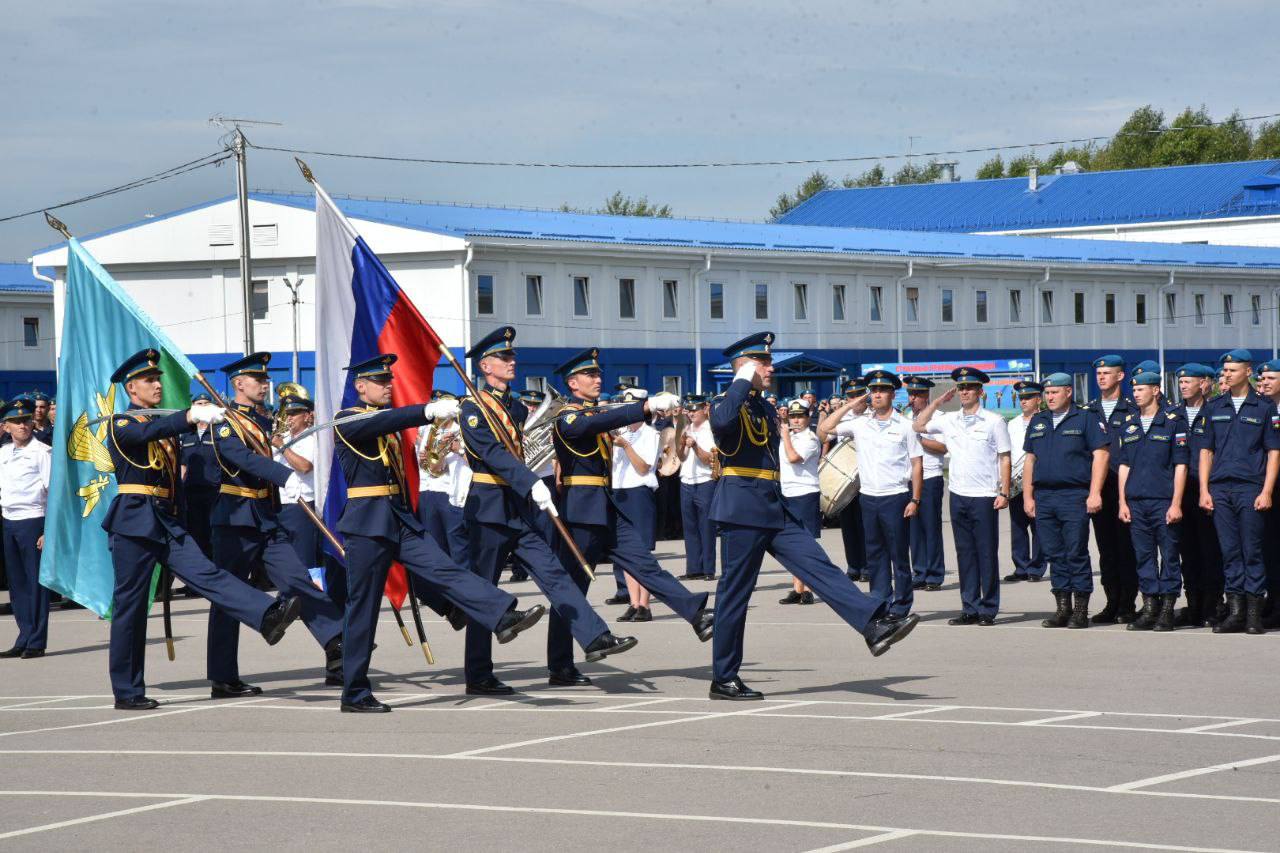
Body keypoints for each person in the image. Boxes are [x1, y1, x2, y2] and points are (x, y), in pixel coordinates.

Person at [333, 352, 547, 711]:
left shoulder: (380, 420)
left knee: (445, 568)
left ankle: (500, 614)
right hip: (366, 526)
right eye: (380, 382)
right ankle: (354, 692)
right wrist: (424, 411)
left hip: (398, 519)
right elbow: (381, 424)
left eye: (389, 381)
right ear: (360, 386)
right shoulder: (346, 420)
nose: (388, 386)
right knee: (363, 609)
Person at [709, 334, 916, 701]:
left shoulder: (761, 407)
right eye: (764, 363)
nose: (771, 368)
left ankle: (873, 625)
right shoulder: (727, 402)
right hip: (742, 510)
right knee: (734, 596)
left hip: (774, 505)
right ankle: (724, 678)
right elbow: (723, 424)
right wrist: (741, 377)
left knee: (818, 564)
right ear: (746, 366)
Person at [101, 349, 303, 711]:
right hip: (133, 521)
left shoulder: (163, 427)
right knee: (131, 608)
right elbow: (148, 431)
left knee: (207, 574)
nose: (157, 385)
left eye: (158, 379)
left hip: (164, 519)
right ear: (132, 389)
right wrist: (189, 415)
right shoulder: (121, 423)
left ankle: (266, 614)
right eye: (149, 381)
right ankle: (127, 690)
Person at [459, 329, 637, 696]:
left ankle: (595, 637)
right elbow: (492, 454)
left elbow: (523, 449)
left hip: (520, 507)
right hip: (489, 506)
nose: (511, 363)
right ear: (485, 365)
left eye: (512, 358)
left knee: (556, 575)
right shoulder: (473, 407)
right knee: (485, 592)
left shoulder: (512, 405)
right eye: (503, 359)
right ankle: (478, 674)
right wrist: (529, 481)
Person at [548, 348, 708, 684]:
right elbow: (595, 423)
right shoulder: (567, 416)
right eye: (590, 375)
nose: (597, 379)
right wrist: (645, 406)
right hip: (580, 511)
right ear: (573, 383)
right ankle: (560, 665)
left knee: (644, 563)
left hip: (606, 507)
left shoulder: (594, 413)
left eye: (597, 374)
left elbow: (603, 420)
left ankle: (695, 613)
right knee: (571, 589)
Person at [204, 353, 345, 696]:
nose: (264, 383)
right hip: (235, 515)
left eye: (265, 378)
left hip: (266, 515)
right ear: (238, 384)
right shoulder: (226, 422)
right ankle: (223, 677)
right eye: (257, 379)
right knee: (229, 596)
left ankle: (340, 646)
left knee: (298, 580)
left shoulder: (266, 423)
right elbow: (242, 457)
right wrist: (285, 476)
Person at [818, 370, 923, 621]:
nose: (876, 394)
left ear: (892, 394)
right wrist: (851, 405)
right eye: (873, 391)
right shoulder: (860, 423)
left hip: (895, 495)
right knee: (874, 554)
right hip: (868, 497)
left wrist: (915, 499)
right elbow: (824, 429)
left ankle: (901, 604)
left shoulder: (905, 426)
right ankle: (879, 600)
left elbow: (916, 463)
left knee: (898, 554)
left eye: (882, 390)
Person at [913, 367, 1012, 626]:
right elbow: (918, 425)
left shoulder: (993, 421)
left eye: (969, 387)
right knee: (965, 553)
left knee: (986, 554)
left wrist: (1004, 491)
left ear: (980, 391)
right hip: (958, 494)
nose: (964, 391)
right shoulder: (949, 419)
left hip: (984, 495)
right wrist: (936, 402)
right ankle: (969, 607)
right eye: (961, 387)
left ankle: (988, 608)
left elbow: (1004, 457)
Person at [1197, 349, 1280, 635]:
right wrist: (1204, 490)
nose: (1226, 375)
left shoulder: (1264, 407)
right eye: (1225, 371)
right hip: (1221, 488)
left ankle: (1254, 614)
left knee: (1252, 551)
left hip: (1250, 488)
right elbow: (1206, 451)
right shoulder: (1215, 406)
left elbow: (1273, 452)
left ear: (1248, 372)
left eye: (1232, 370)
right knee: (1230, 552)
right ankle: (1235, 612)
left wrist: (1267, 490)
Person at [1022, 373, 1109, 630]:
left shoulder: (1085, 418)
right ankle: (1063, 608)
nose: (1049, 397)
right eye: (1047, 393)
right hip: (1045, 496)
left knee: (1075, 552)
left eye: (1055, 392)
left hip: (1074, 495)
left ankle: (1081, 610)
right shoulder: (1039, 421)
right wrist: (1028, 496)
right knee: (1054, 553)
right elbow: (1030, 460)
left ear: (1068, 392)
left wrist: (1095, 493)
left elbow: (1101, 455)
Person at [1117, 371, 1188, 632]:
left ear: (1155, 391)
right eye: (1134, 390)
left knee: (1169, 555)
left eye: (1141, 390)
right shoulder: (1130, 422)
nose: (1136, 394)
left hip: (1163, 500)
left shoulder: (1172, 422)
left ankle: (1167, 608)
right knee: (1143, 556)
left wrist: (1176, 503)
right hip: (1136, 501)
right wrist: (1122, 502)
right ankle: (1149, 607)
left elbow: (1181, 465)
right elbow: (1124, 465)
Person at [1084, 355, 1140, 623]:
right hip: (1099, 489)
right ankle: (1111, 601)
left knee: (1127, 548)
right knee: (1106, 549)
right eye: (1098, 373)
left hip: (1127, 488)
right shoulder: (1088, 410)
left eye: (1107, 373)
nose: (1101, 377)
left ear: (1120, 376)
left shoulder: (1133, 409)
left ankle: (1128, 603)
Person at [1169, 364, 1224, 627]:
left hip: (1208, 489)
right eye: (1181, 382)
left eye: (1188, 382)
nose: (1183, 386)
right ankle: (1193, 604)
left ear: (1204, 384)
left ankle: (1213, 605)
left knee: (1210, 550)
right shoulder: (1173, 415)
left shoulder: (1214, 411)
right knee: (1187, 551)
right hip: (1181, 491)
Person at [609, 388, 667, 622]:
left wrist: (626, 447)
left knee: (641, 552)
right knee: (627, 552)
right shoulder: (619, 434)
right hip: (619, 492)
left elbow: (644, 468)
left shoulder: (651, 435)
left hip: (639, 494)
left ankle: (645, 604)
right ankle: (633, 603)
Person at [0, 398, 51, 659]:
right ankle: (23, 636)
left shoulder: (42, 452)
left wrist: (47, 530)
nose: (23, 425)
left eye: (26, 420)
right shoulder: (3, 452)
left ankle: (36, 640)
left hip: (33, 521)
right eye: (16, 422)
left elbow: (53, 493)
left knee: (35, 584)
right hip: (9, 521)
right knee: (17, 584)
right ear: (5, 426)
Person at [272, 394, 324, 591]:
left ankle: (311, 595)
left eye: (294, 413)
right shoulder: (281, 438)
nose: (289, 418)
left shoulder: (312, 436)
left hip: (302, 504)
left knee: (304, 556)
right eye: (287, 414)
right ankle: (290, 593)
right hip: (281, 503)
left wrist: (282, 447)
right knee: (285, 556)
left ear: (307, 416)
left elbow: (304, 466)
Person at [415, 390, 471, 567]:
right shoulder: (425, 430)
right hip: (427, 491)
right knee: (434, 546)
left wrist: (459, 449)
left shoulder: (463, 431)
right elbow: (426, 465)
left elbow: (478, 463)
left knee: (458, 548)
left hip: (452, 495)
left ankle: (466, 590)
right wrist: (422, 460)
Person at [903, 377, 947, 591]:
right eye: (910, 394)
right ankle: (919, 572)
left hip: (930, 476)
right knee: (913, 529)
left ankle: (935, 574)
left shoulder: (939, 418)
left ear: (926, 396)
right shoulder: (904, 417)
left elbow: (943, 448)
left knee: (930, 527)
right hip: (909, 478)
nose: (913, 398)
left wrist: (917, 439)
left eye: (917, 395)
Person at [778, 398, 822, 605]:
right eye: (792, 416)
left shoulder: (810, 439)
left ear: (808, 417)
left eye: (800, 416)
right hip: (787, 492)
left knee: (806, 544)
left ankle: (809, 589)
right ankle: (797, 588)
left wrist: (785, 435)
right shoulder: (790, 437)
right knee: (793, 545)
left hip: (805, 493)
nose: (795, 420)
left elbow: (794, 458)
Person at [1004, 381, 1046, 583]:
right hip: (1016, 480)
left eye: (1028, 397)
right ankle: (1021, 566)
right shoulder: (1012, 424)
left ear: (1039, 399)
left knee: (1038, 524)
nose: (1024, 401)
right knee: (1017, 524)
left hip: (1038, 478)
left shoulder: (1046, 420)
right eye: (1021, 398)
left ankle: (1036, 568)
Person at [677, 394, 718, 581]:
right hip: (686, 479)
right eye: (690, 410)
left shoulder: (710, 430)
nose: (692, 413)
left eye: (695, 409)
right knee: (690, 527)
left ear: (704, 409)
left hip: (705, 481)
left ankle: (708, 569)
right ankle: (693, 568)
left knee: (706, 527)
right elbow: (681, 457)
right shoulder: (687, 428)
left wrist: (694, 446)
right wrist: (680, 442)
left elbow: (709, 460)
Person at [831, 379, 868, 582]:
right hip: (844, 479)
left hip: (866, 478)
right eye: (852, 396)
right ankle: (853, 565)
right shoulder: (841, 419)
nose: (856, 400)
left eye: (859, 395)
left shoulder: (872, 416)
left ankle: (867, 566)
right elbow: (823, 436)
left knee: (865, 525)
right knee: (849, 525)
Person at [1256, 359, 1280, 627]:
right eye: (1262, 380)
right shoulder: (1262, 410)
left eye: (1271, 379)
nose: (1264, 383)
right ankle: (1272, 602)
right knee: (1268, 549)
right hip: (1264, 488)